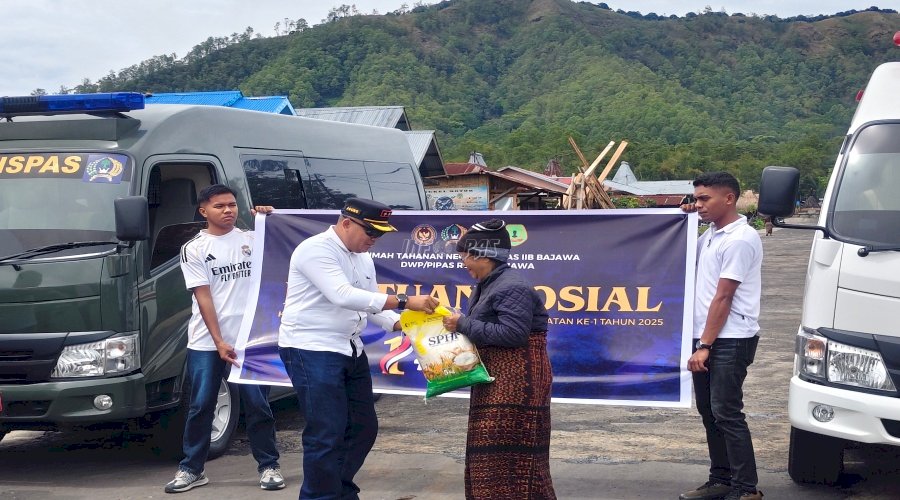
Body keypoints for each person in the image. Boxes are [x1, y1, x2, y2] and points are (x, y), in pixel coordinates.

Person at [277, 197, 439, 500]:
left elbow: (371, 303)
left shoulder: (362, 256)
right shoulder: (315, 249)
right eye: (371, 233)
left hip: (349, 347)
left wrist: (411, 322)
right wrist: (405, 301)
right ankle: (321, 496)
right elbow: (343, 295)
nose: (374, 241)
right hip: (311, 348)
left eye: (380, 235)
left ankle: (337, 491)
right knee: (326, 432)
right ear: (347, 223)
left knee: (363, 428)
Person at [166, 184, 285, 494]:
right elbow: (204, 298)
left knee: (258, 405)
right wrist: (219, 341)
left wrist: (270, 218)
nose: (228, 210)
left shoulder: (251, 238)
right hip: (207, 342)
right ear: (204, 211)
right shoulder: (193, 248)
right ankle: (191, 468)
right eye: (219, 206)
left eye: (232, 204)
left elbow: (286, 244)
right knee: (201, 405)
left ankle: (269, 466)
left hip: (250, 340)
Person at [443, 219, 556, 500]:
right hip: (498, 381)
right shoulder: (490, 284)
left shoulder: (511, 286)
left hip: (517, 384)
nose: (463, 263)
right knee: (491, 456)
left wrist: (462, 324)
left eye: (464, 256)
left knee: (509, 458)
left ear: (482, 254)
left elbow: (513, 334)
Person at [679, 172, 763, 500]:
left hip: (730, 338)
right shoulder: (710, 235)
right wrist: (680, 218)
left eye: (704, 199)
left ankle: (747, 490)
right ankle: (721, 480)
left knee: (726, 412)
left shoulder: (740, 239)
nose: (698, 204)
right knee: (709, 412)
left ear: (728, 199)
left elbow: (724, 297)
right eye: (695, 198)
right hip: (707, 337)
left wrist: (705, 345)